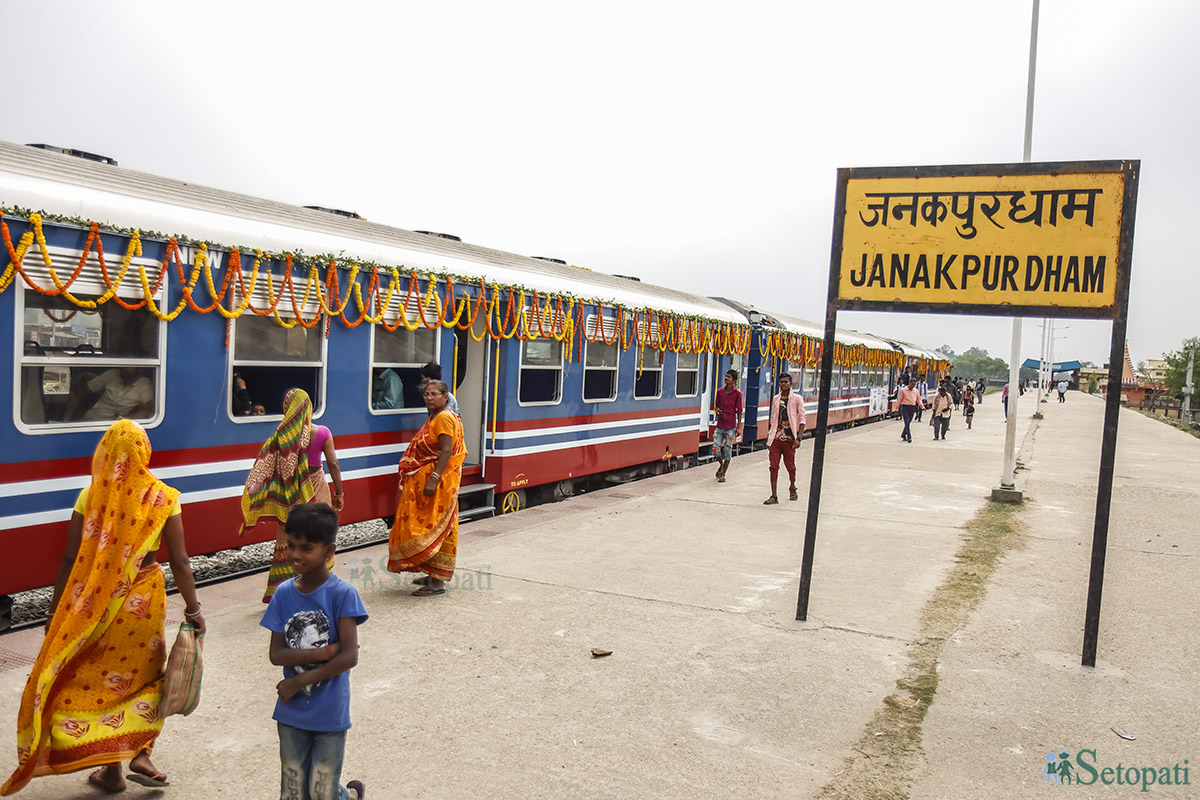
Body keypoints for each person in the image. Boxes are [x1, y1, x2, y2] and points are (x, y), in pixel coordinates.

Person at [1, 420, 206, 795]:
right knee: (144, 675)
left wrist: (54, 611)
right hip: (143, 603)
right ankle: (142, 751)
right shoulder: (164, 497)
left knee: (99, 680)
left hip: (95, 603)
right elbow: (180, 562)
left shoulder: (91, 494)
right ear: (144, 451)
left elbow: (69, 558)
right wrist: (193, 609)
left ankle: (110, 769)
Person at [262, 503, 367, 800]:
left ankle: (347, 796)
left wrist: (298, 681)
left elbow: (349, 656)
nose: (295, 555)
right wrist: (323, 653)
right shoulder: (283, 593)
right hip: (291, 712)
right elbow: (277, 654)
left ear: (329, 551)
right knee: (293, 790)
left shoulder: (342, 594)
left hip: (330, 711)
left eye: (306, 548)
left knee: (322, 792)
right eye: (291, 545)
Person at [241, 388, 344, 603]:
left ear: (287, 408)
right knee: (320, 535)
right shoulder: (323, 432)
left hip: (291, 495)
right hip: (316, 486)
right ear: (309, 406)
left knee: (291, 540)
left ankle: (283, 592)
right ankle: (317, 587)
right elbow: (333, 463)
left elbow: (270, 468)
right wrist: (339, 492)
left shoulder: (282, 435)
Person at [387, 380, 467, 595]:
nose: (429, 397)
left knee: (435, 527)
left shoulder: (443, 418)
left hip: (439, 484)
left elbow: (446, 451)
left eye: (434, 394)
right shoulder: (436, 416)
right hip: (432, 482)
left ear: (445, 396)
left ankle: (438, 580)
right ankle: (432, 573)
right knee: (432, 526)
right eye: (426, 394)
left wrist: (433, 478)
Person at [763, 373, 806, 505]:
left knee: (790, 466)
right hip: (776, 438)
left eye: (785, 382)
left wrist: (798, 437)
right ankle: (774, 495)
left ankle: (792, 486)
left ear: (791, 384)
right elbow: (773, 418)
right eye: (781, 382)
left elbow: (802, 418)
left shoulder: (797, 399)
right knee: (773, 466)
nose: (783, 384)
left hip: (789, 439)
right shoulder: (776, 398)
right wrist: (770, 436)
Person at [66, 366, 154, 421]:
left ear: (139, 369)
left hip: (113, 429)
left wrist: (121, 422)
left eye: (128, 364)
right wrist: (67, 419)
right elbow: (81, 392)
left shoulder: (144, 385)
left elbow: (147, 412)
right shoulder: (112, 374)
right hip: (88, 421)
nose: (122, 366)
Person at [713, 369, 743, 483]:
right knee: (715, 447)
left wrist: (738, 427)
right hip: (720, 426)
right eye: (726, 376)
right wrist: (718, 411)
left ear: (734, 380)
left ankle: (723, 474)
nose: (726, 378)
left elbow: (739, 411)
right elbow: (716, 406)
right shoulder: (720, 392)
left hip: (731, 426)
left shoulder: (738, 394)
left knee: (727, 448)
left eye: (729, 377)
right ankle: (721, 465)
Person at [896, 378, 922, 443]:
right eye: (912, 384)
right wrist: (897, 408)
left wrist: (922, 406)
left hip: (912, 407)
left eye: (914, 385)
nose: (913, 386)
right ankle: (909, 436)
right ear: (909, 383)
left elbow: (919, 399)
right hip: (905, 407)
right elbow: (900, 399)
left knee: (909, 422)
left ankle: (903, 435)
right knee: (906, 422)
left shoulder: (916, 391)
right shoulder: (903, 390)